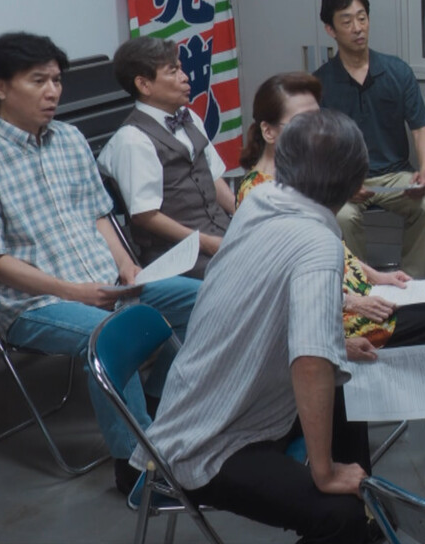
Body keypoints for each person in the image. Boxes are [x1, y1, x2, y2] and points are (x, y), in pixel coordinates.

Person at [0, 32, 201, 494]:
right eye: (38, 80)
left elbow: (99, 215)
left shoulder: (69, 139)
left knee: (208, 298)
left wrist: (127, 267)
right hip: (34, 305)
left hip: (105, 284)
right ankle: (137, 468)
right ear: (0, 86)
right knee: (113, 332)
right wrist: (74, 293)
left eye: (57, 80)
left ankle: (156, 401)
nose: (53, 92)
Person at [237, 73, 425, 475]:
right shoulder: (260, 195)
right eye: (302, 123)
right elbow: (283, 288)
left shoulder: (299, 177)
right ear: (269, 131)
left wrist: (375, 275)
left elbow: (335, 247)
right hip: (340, 319)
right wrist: (353, 303)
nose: (317, 132)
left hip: (356, 297)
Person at [135, 110, 373, 544]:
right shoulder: (319, 245)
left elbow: (274, 305)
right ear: (357, 184)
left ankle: (364, 511)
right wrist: (323, 473)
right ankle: (356, 513)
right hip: (206, 443)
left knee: (342, 386)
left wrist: (335, 343)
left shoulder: (261, 200)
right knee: (340, 515)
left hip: (220, 406)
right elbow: (310, 362)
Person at [314, 0, 425, 278]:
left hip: (395, 176)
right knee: (343, 217)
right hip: (344, 178)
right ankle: (362, 284)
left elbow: (420, 128)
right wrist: (341, 183)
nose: (358, 28)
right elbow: (316, 149)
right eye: (347, 21)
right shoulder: (320, 83)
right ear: (330, 30)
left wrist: (424, 169)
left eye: (362, 18)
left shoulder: (397, 71)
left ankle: (409, 282)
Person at [98, 37, 235, 278]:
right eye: (173, 72)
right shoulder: (132, 140)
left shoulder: (190, 117)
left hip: (220, 236)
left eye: (181, 69)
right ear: (144, 84)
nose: (185, 77)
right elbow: (145, 216)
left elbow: (213, 178)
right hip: (177, 255)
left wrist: (244, 216)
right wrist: (206, 243)